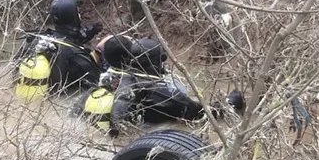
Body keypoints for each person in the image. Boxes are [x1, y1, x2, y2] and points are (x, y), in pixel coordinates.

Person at [75, 34, 243, 131]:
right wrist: (232, 102)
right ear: (156, 64)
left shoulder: (113, 80)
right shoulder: (163, 94)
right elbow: (203, 115)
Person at [15, 0, 103, 100]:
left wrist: (91, 31)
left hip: (26, 97)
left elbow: (15, 70)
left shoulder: (33, 40)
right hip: (59, 102)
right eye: (77, 12)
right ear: (74, 17)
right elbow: (99, 83)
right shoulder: (76, 55)